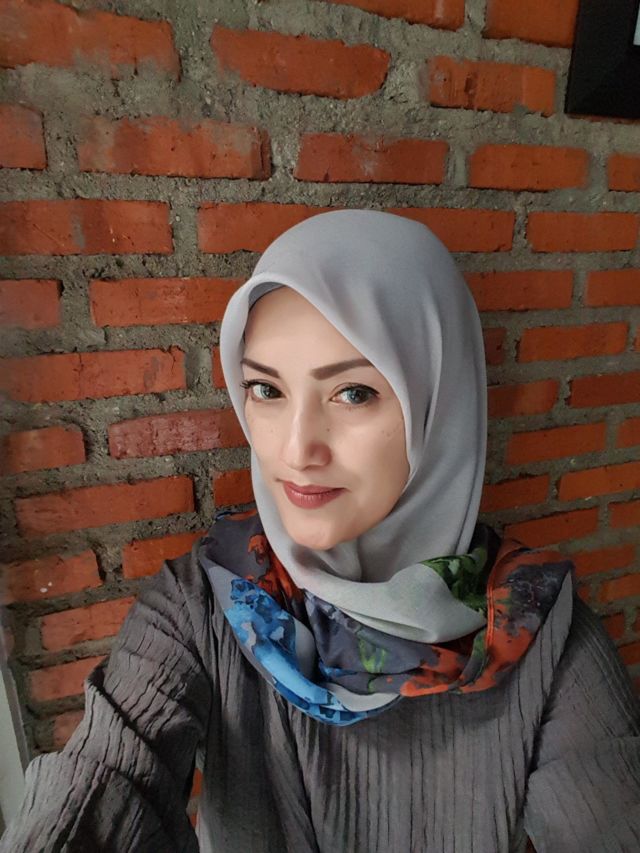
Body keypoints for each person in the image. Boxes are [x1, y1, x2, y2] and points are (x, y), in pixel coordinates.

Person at [2, 210, 640, 852]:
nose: (295, 450)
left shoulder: (538, 630)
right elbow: (109, 777)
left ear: (440, 405)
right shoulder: (205, 604)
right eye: (265, 389)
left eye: (353, 393)